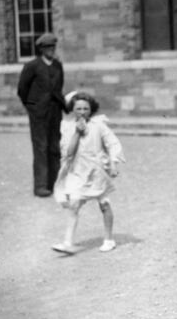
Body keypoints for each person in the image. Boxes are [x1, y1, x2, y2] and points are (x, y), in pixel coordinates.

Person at [51, 92, 124, 254]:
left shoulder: (99, 125)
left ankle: (109, 239)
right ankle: (68, 242)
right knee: (74, 204)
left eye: (86, 108)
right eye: (78, 109)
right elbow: (68, 152)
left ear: (91, 110)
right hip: (78, 170)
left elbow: (112, 143)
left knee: (104, 203)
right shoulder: (67, 127)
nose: (82, 112)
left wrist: (113, 164)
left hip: (97, 170)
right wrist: (77, 132)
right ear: (72, 110)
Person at [17, 33, 66, 197]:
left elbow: (58, 88)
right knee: (41, 148)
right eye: (47, 48)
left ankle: (55, 184)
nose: (51, 50)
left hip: (55, 112)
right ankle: (40, 186)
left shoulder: (58, 65)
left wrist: (63, 106)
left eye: (52, 47)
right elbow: (22, 90)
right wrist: (32, 108)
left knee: (54, 147)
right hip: (39, 114)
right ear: (41, 49)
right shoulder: (32, 66)